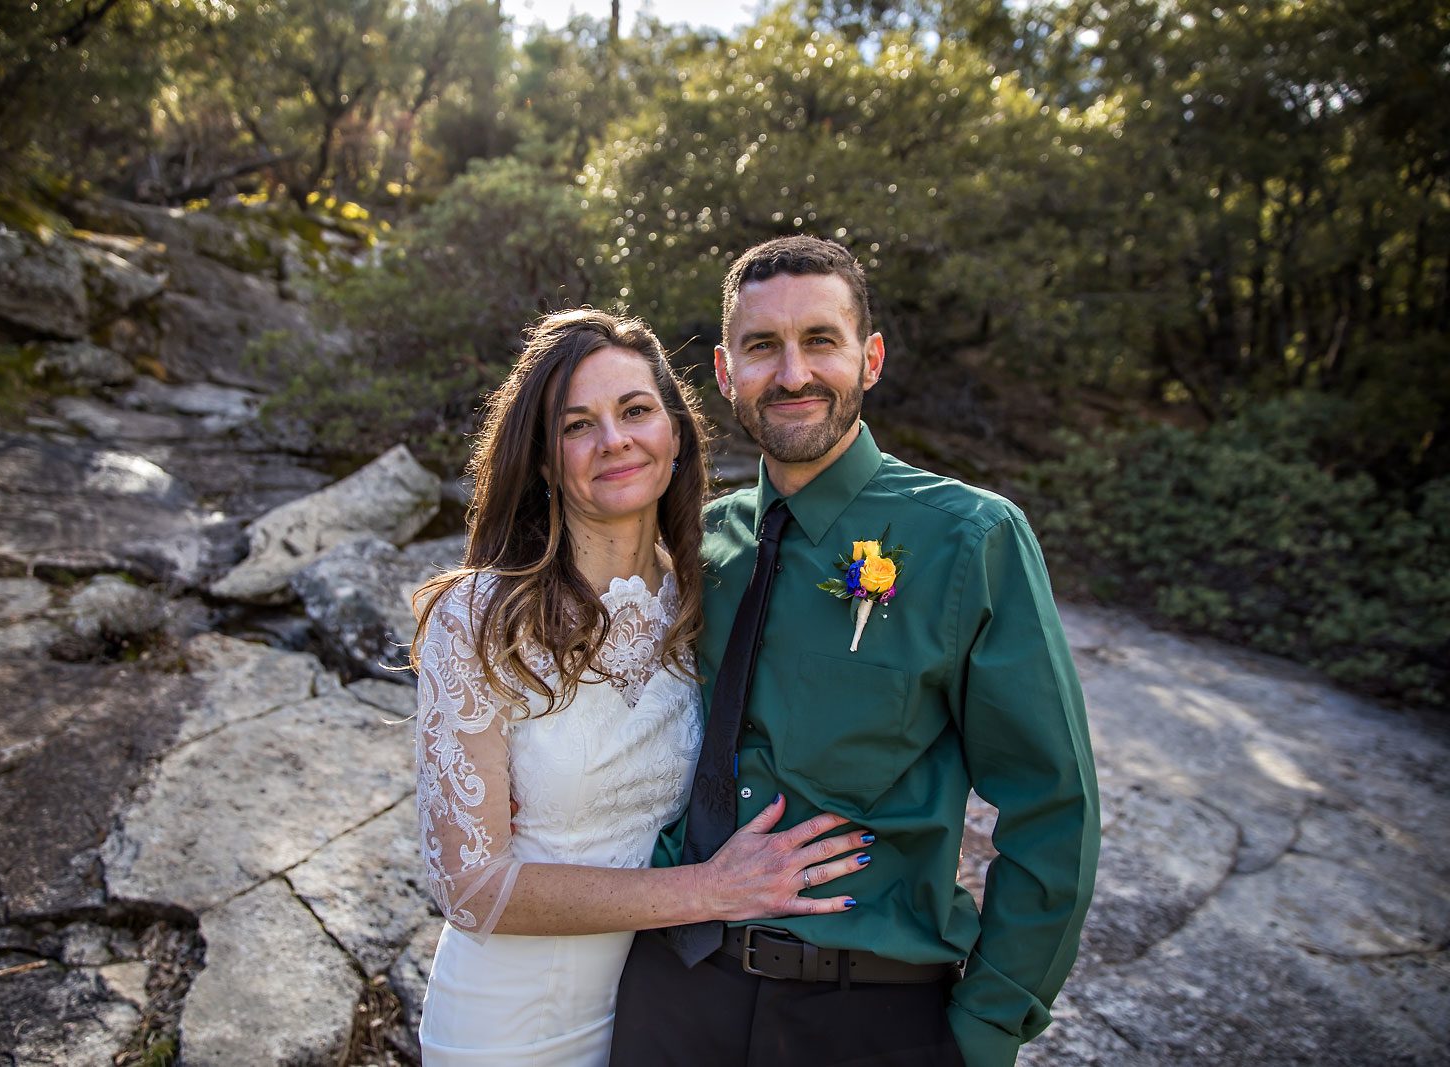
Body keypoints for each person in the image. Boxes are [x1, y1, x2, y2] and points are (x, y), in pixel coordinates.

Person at [608, 237, 1101, 1067]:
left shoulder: (969, 538)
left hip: (867, 1014)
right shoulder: (697, 542)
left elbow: (1054, 805)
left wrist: (984, 1027)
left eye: (821, 341)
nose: (793, 373)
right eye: (763, 347)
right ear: (727, 374)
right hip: (671, 994)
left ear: (869, 358)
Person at [410, 308, 873, 1066]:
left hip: (664, 1013)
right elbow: (468, 885)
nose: (614, 440)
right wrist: (710, 891)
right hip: (508, 1026)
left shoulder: (705, 593)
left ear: (676, 429)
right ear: (545, 458)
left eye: (634, 410)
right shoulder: (482, 617)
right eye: (577, 425)